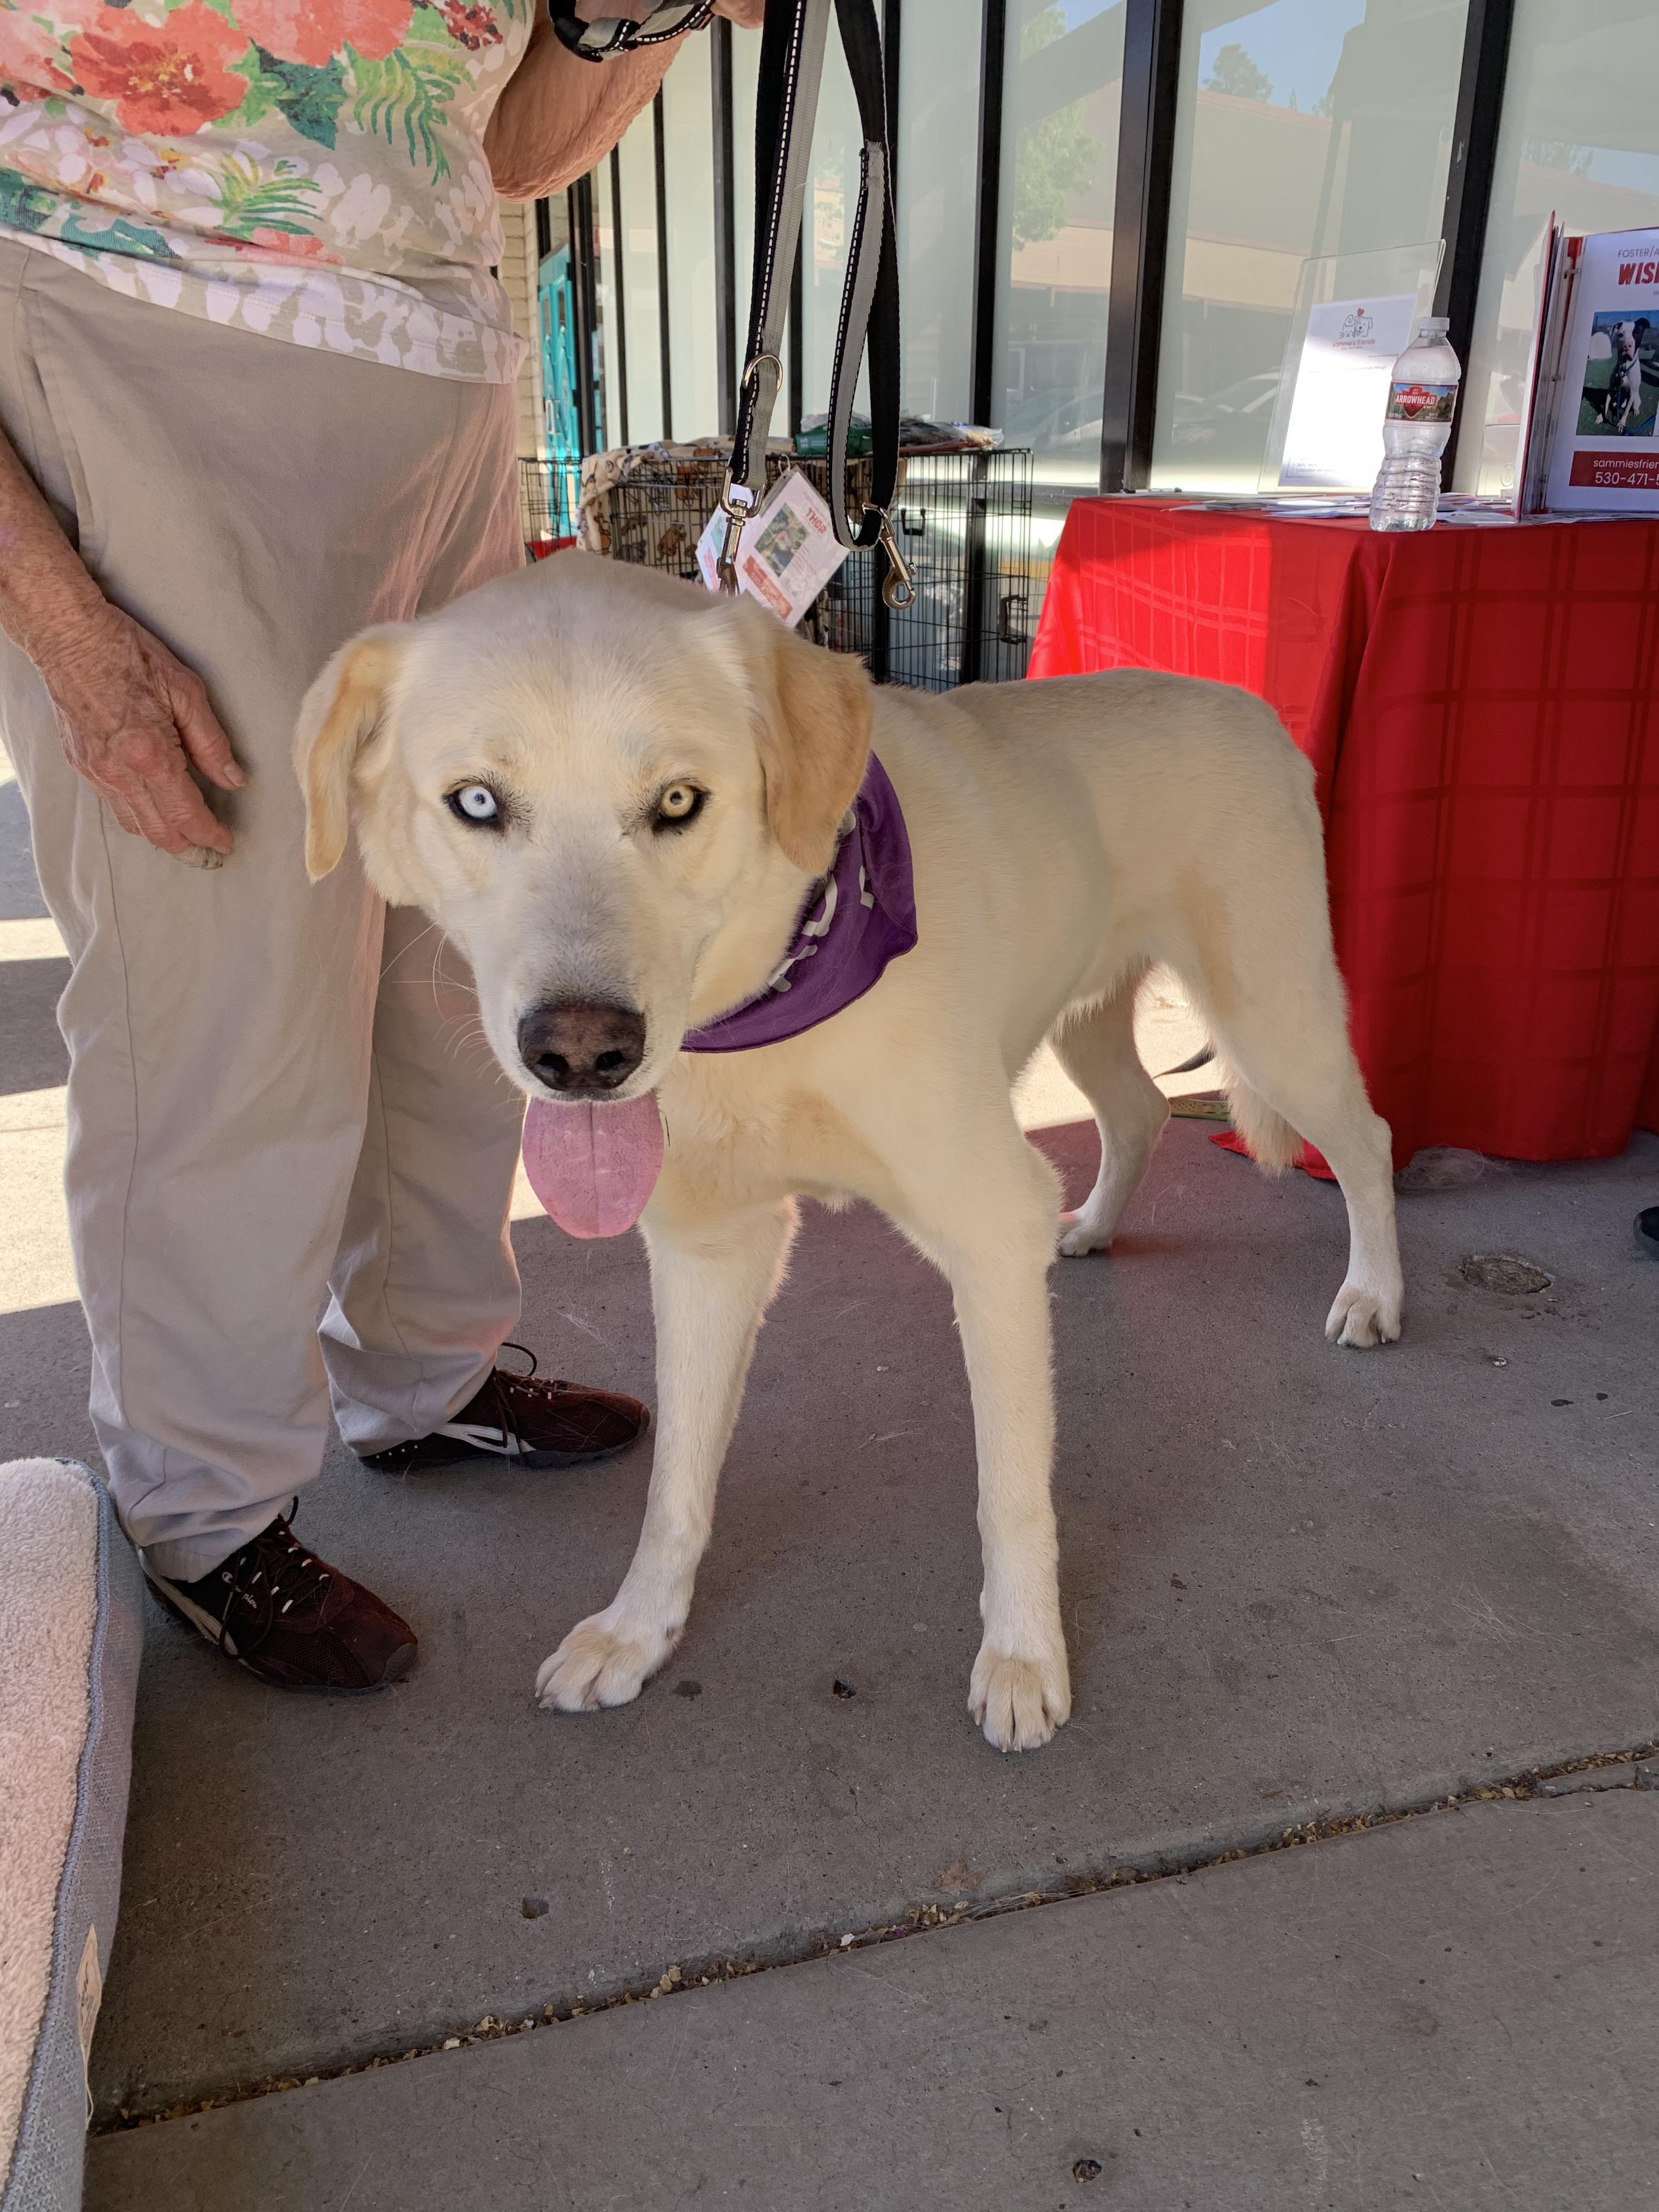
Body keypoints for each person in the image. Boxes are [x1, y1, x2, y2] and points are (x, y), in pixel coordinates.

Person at [0, 0, 756, 1692]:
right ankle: (199, 1509)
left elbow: (499, 148)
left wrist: (630, 20)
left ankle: (423, 1369)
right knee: (229, 982)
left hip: (445, 391)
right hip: (136, 349)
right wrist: (62, 623)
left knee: (451, 953)